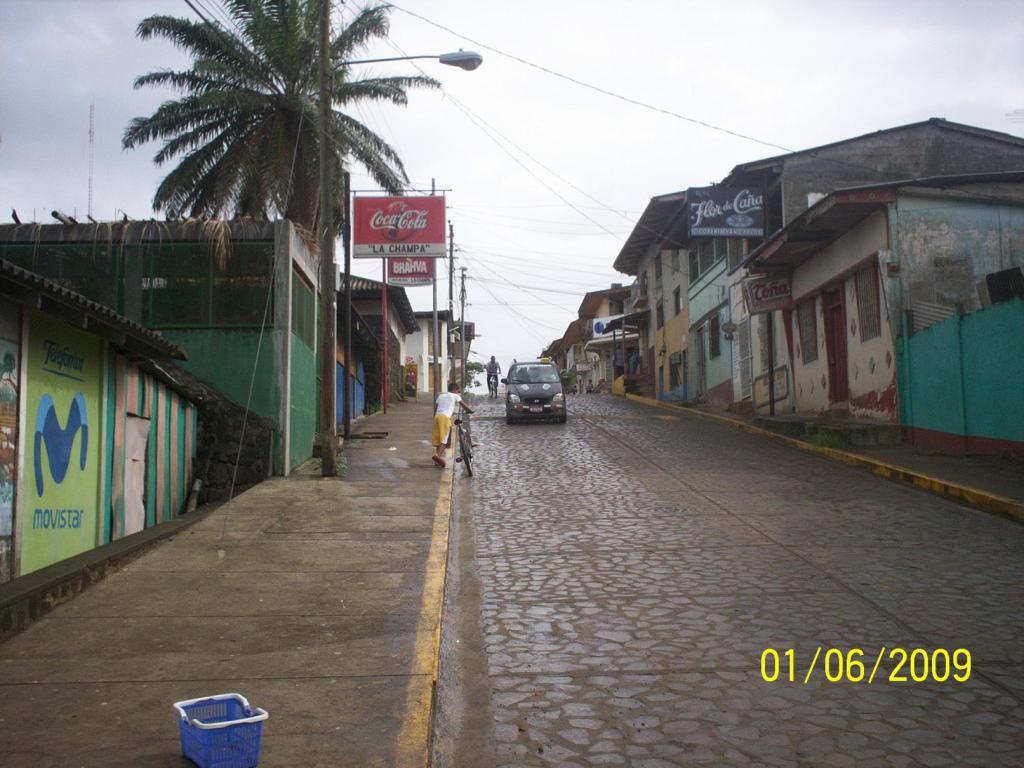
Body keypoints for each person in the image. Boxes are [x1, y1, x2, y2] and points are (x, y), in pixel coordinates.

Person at [432, 383, 474, 467]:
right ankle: (437, 456)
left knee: (440, 438)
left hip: (437, 417)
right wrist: (470, 411)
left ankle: (437, 461)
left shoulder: (441, 396)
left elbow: (436, 408)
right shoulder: (455, 396)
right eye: (458, 390)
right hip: (445, 418)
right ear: (455, 389)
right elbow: (464, 406)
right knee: (445, 440)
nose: (458, 392)